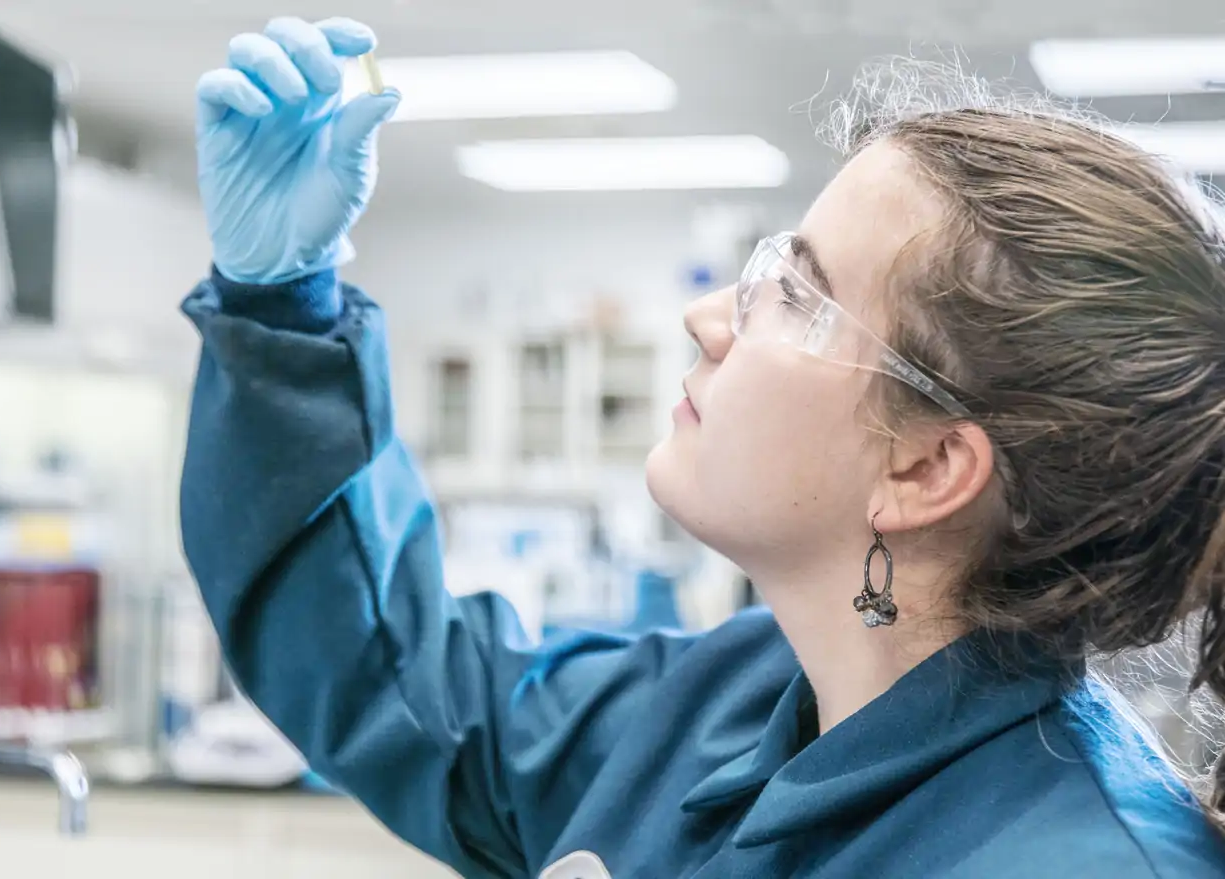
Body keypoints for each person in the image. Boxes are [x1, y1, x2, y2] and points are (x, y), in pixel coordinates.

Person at [178, 16, 1225, 879]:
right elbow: (412, 692)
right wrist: (282, 299)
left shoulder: (1083, 862)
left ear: (926, 469)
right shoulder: (739, 699)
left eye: (799, 295)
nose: (714, 318)